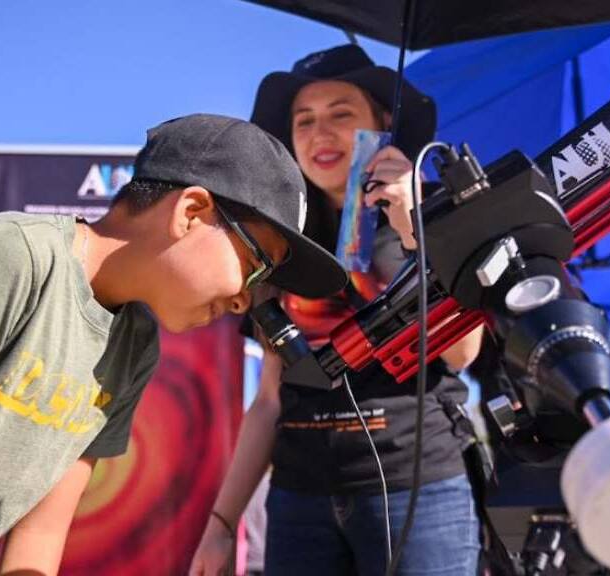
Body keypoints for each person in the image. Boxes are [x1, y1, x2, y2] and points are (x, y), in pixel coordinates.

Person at [0, 113, 346, 574]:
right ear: (190, 213)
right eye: (255, 269)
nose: (245, 302)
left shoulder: (134, 347)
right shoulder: (16, 258)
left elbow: (40, 535)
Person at [190, 46, 483, 576]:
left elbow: (461, 354)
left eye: (340, 114)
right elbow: (270, 399)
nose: (320, 133)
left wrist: (413, 225)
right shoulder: (277, 239)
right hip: (299, 499)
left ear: (383, 122)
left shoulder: (434, 209)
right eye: (304, 120)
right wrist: (222, 523)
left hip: (416, 490)